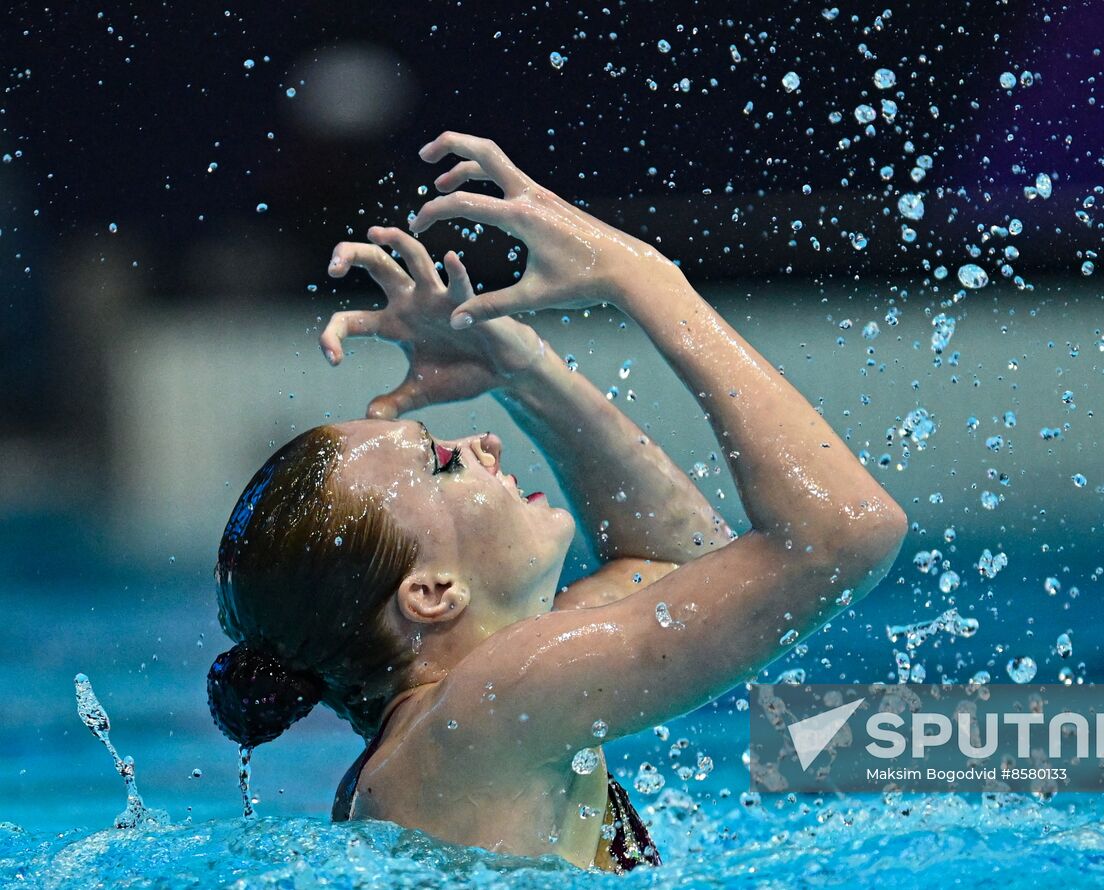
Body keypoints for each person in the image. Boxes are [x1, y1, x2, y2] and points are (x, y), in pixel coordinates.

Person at [206, 131, 907, 871]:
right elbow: (839, 537)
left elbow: (676, 559)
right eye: (444, 463)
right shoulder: (492, 702)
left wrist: (524, 370)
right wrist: (644, 276)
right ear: (431, 592)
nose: (484, 444)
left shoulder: (471, 712)